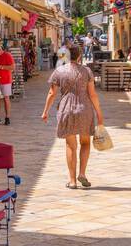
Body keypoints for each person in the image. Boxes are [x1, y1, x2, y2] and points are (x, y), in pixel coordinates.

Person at [41, 43, 106, 190]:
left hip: (66, 110)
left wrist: (45, 111)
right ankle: (82, 173)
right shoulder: (87, 72)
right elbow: (93, 94)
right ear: (80, 56)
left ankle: (72, 181)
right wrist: (99, 114)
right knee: (85, 143)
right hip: (85, 109)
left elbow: (52, 93)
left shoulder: (59, 71)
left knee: (71, 145)